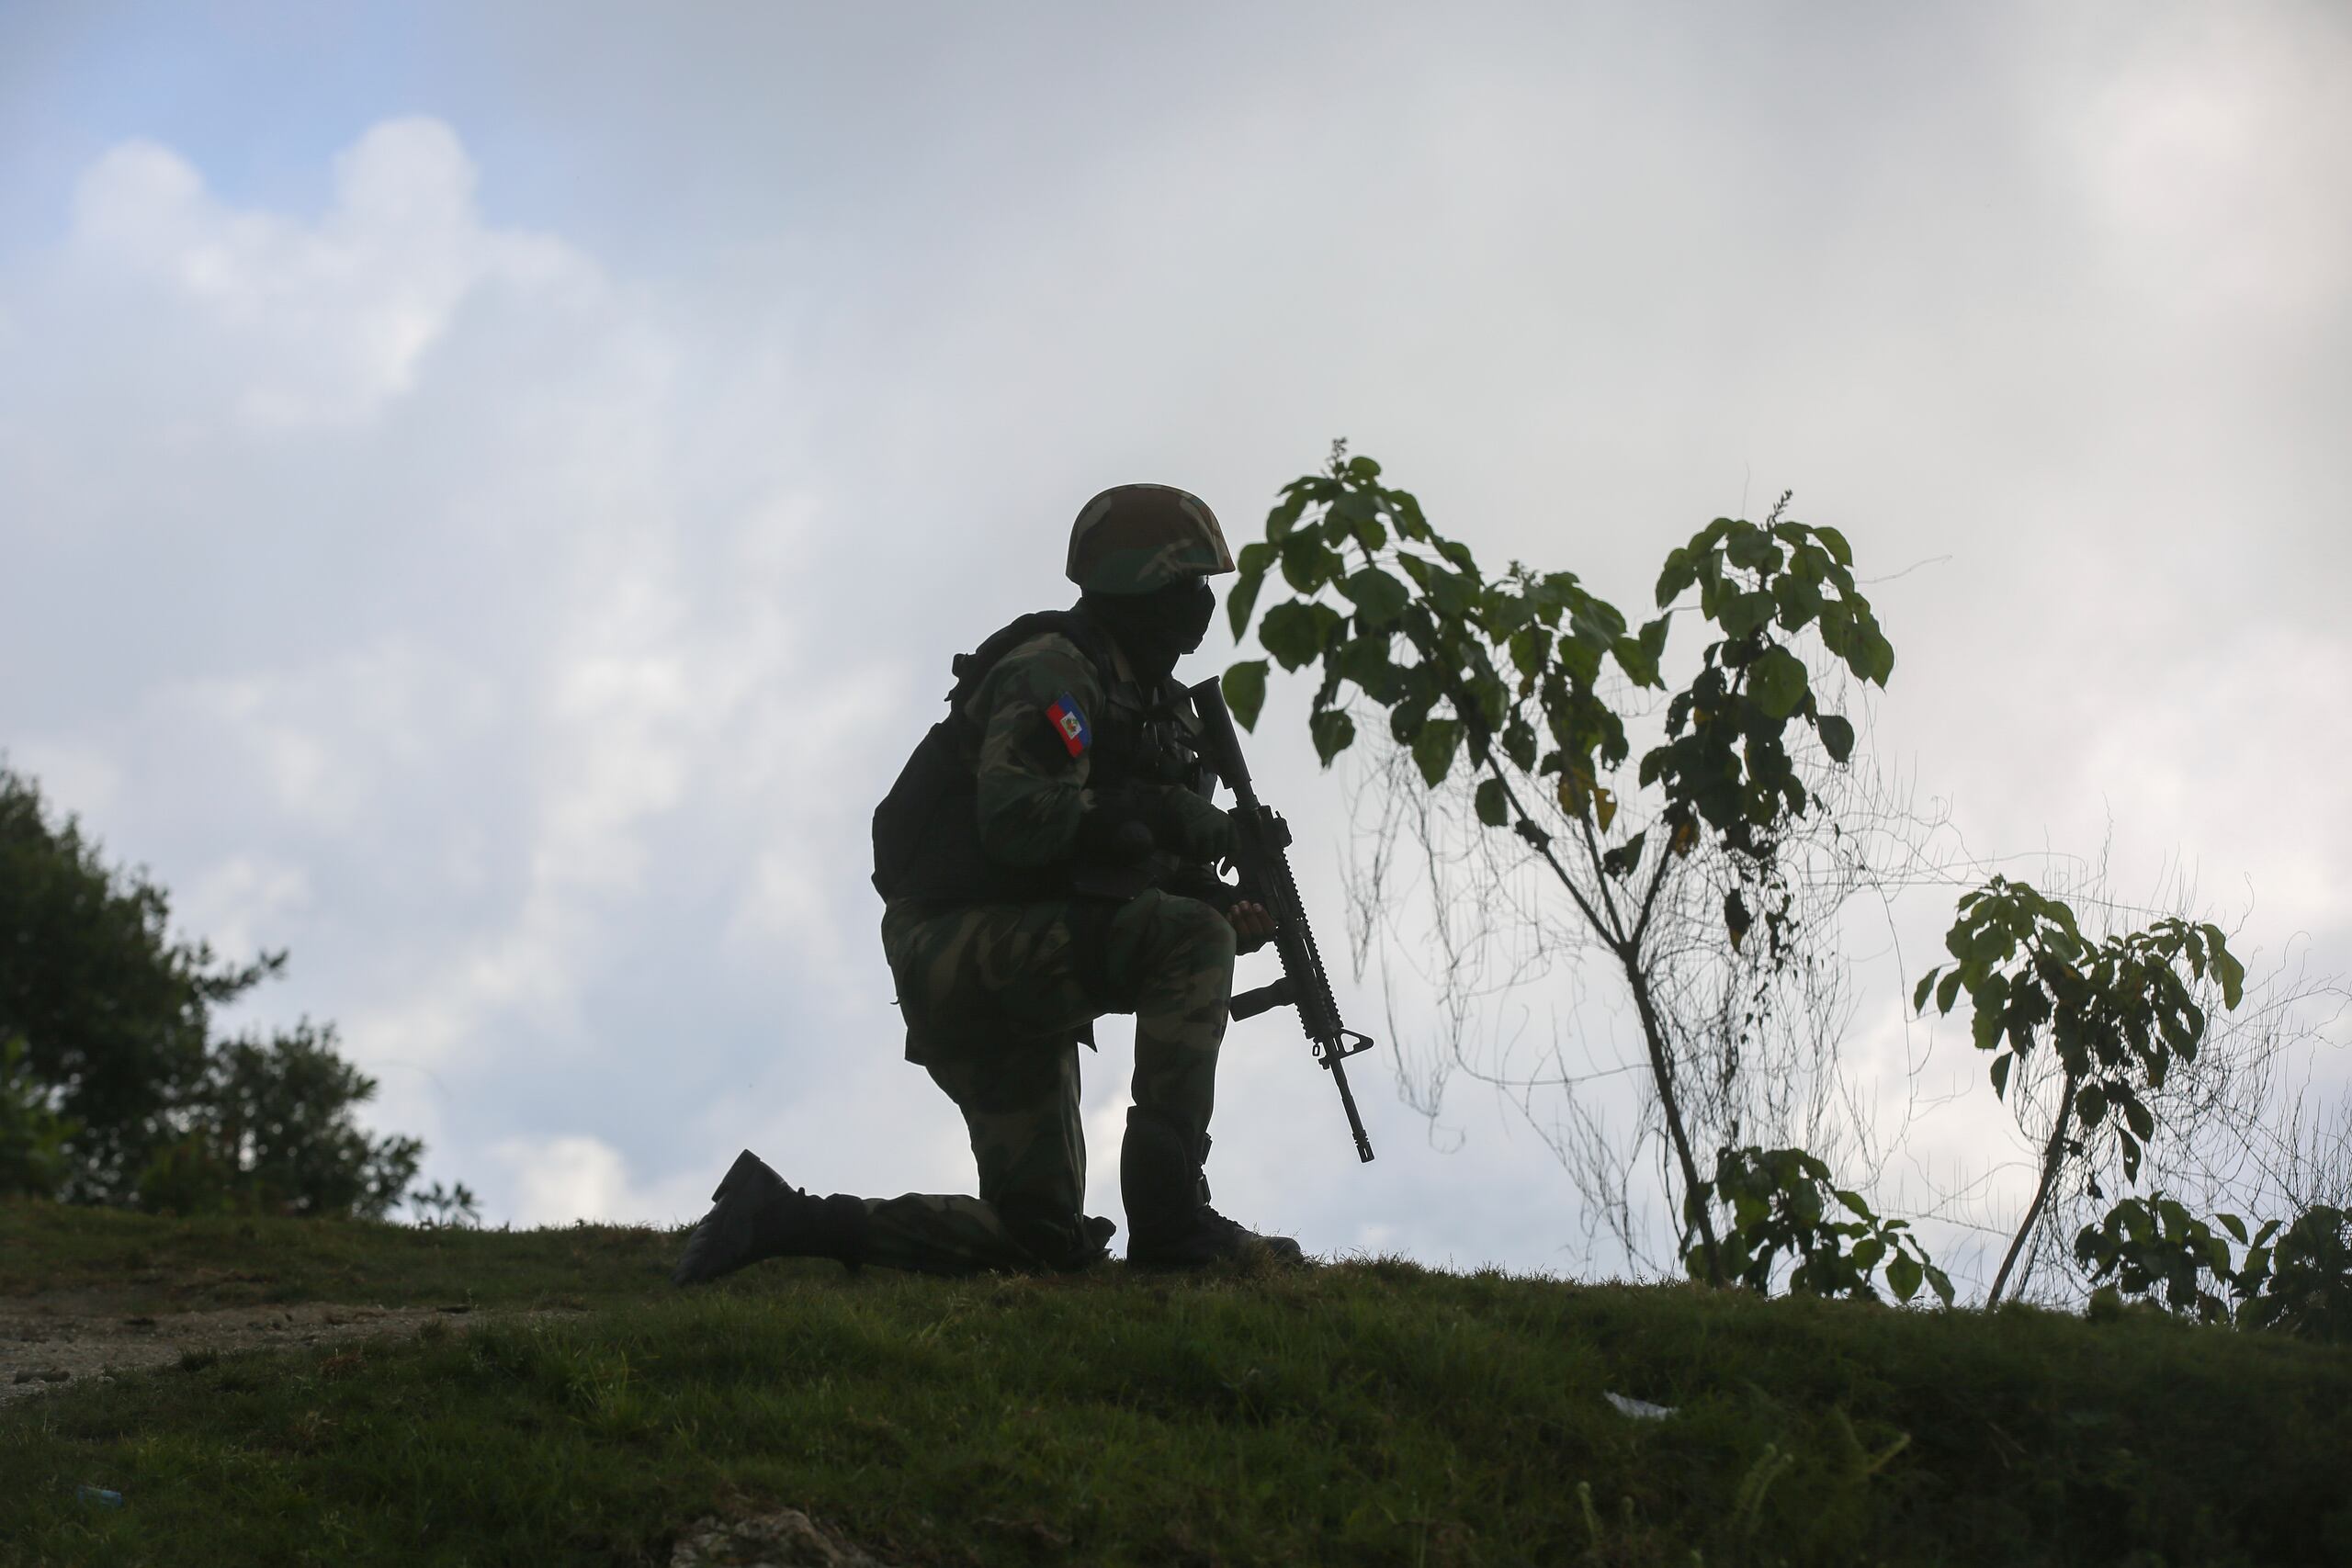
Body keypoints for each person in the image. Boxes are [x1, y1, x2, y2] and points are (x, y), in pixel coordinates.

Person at [673, 483, 1307, 1284]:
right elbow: (1018, 819)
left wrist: (1222, 902)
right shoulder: (1055, 672)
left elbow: (1139, 870)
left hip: (1011, 951)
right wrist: (1171, 829)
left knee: (1038, 1240)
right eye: (1187, 585)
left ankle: (779, 1218)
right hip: (953, 942)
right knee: (1190, 939)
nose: (1199, 607)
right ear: (1140, 586)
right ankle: (1173, 1218)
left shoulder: (1148, 710)